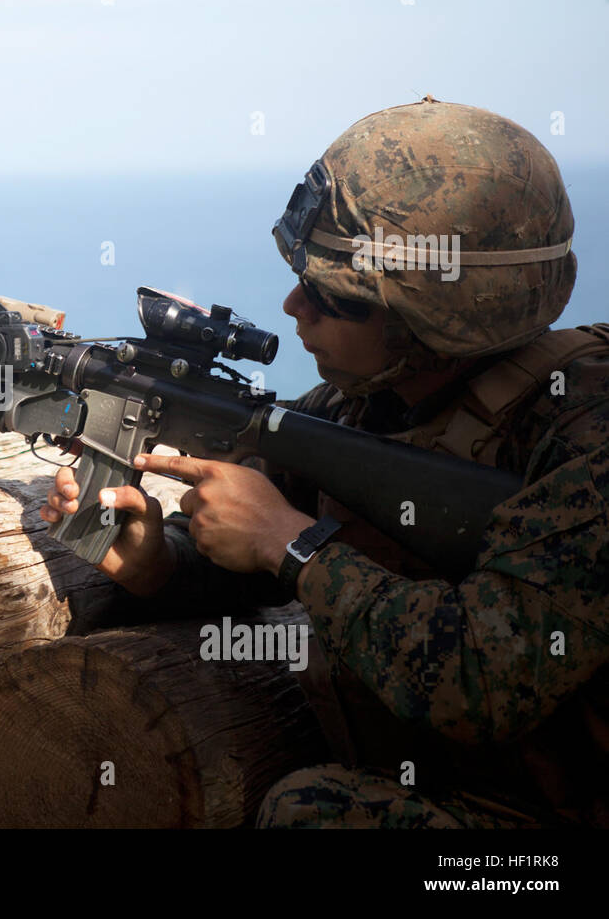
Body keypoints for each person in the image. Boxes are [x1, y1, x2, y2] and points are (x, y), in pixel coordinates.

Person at [40, 97, 609, 827]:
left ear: (433, 315)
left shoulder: (587, 434)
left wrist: (291, 543)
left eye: (332, 297)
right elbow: (246, 545)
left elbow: (482, 678)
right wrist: (162, 561)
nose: (292, 306)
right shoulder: (363, 408)